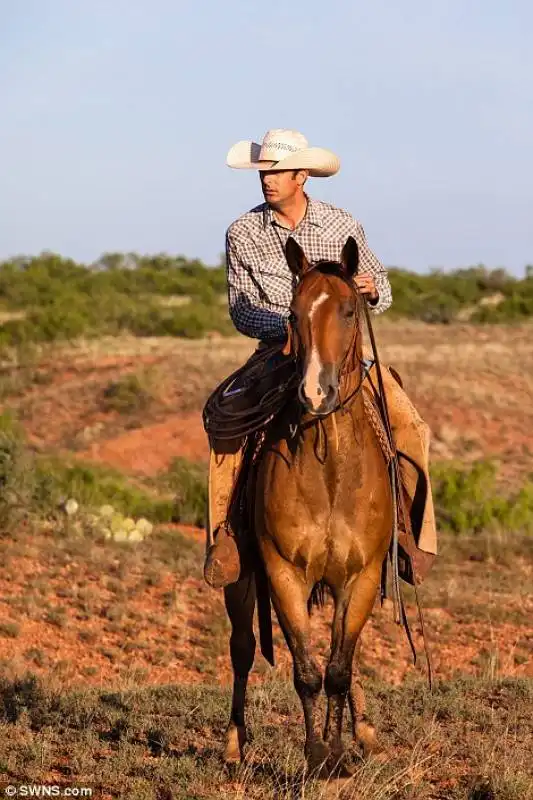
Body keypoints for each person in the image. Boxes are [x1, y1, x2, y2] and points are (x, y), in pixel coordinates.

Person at [203, 129, 437, 589]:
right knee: (225, 418)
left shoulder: (342, 224)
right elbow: (242, 308)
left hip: (345, 354)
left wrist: (370, 288)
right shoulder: (243, 233)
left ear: (302, 175)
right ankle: (227, 535)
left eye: (277, 172)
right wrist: (293, 330)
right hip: (278, 351)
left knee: (408, 423)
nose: (267, 181)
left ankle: (410, 535)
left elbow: (381, 287)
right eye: (263, 173)